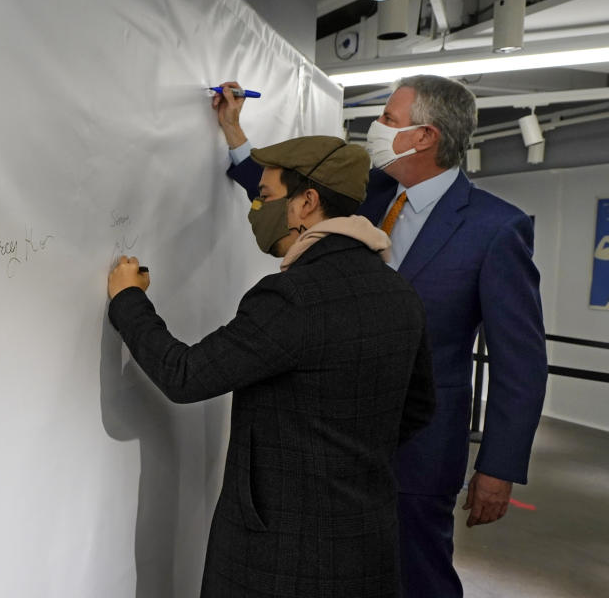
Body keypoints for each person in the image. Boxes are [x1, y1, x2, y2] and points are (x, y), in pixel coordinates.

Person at [215, 76, 548, 597]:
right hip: (335, 442)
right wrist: (233, 130)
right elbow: (281, 191)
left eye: (389, 120)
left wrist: (498, 467)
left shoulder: (494, 228)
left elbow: (520, 363)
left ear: (424, 137)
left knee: (417, 576)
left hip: (420, 448)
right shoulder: (365, 194)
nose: (376, 128)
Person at [106, 136, 436, 597]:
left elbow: (184, 375)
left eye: (265, 196)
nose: (256, 208)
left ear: (307, 202)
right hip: (367, 543)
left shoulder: (292, 298)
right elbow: (418, 408)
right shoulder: (399, 292)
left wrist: (128, 300)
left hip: (281, 556)